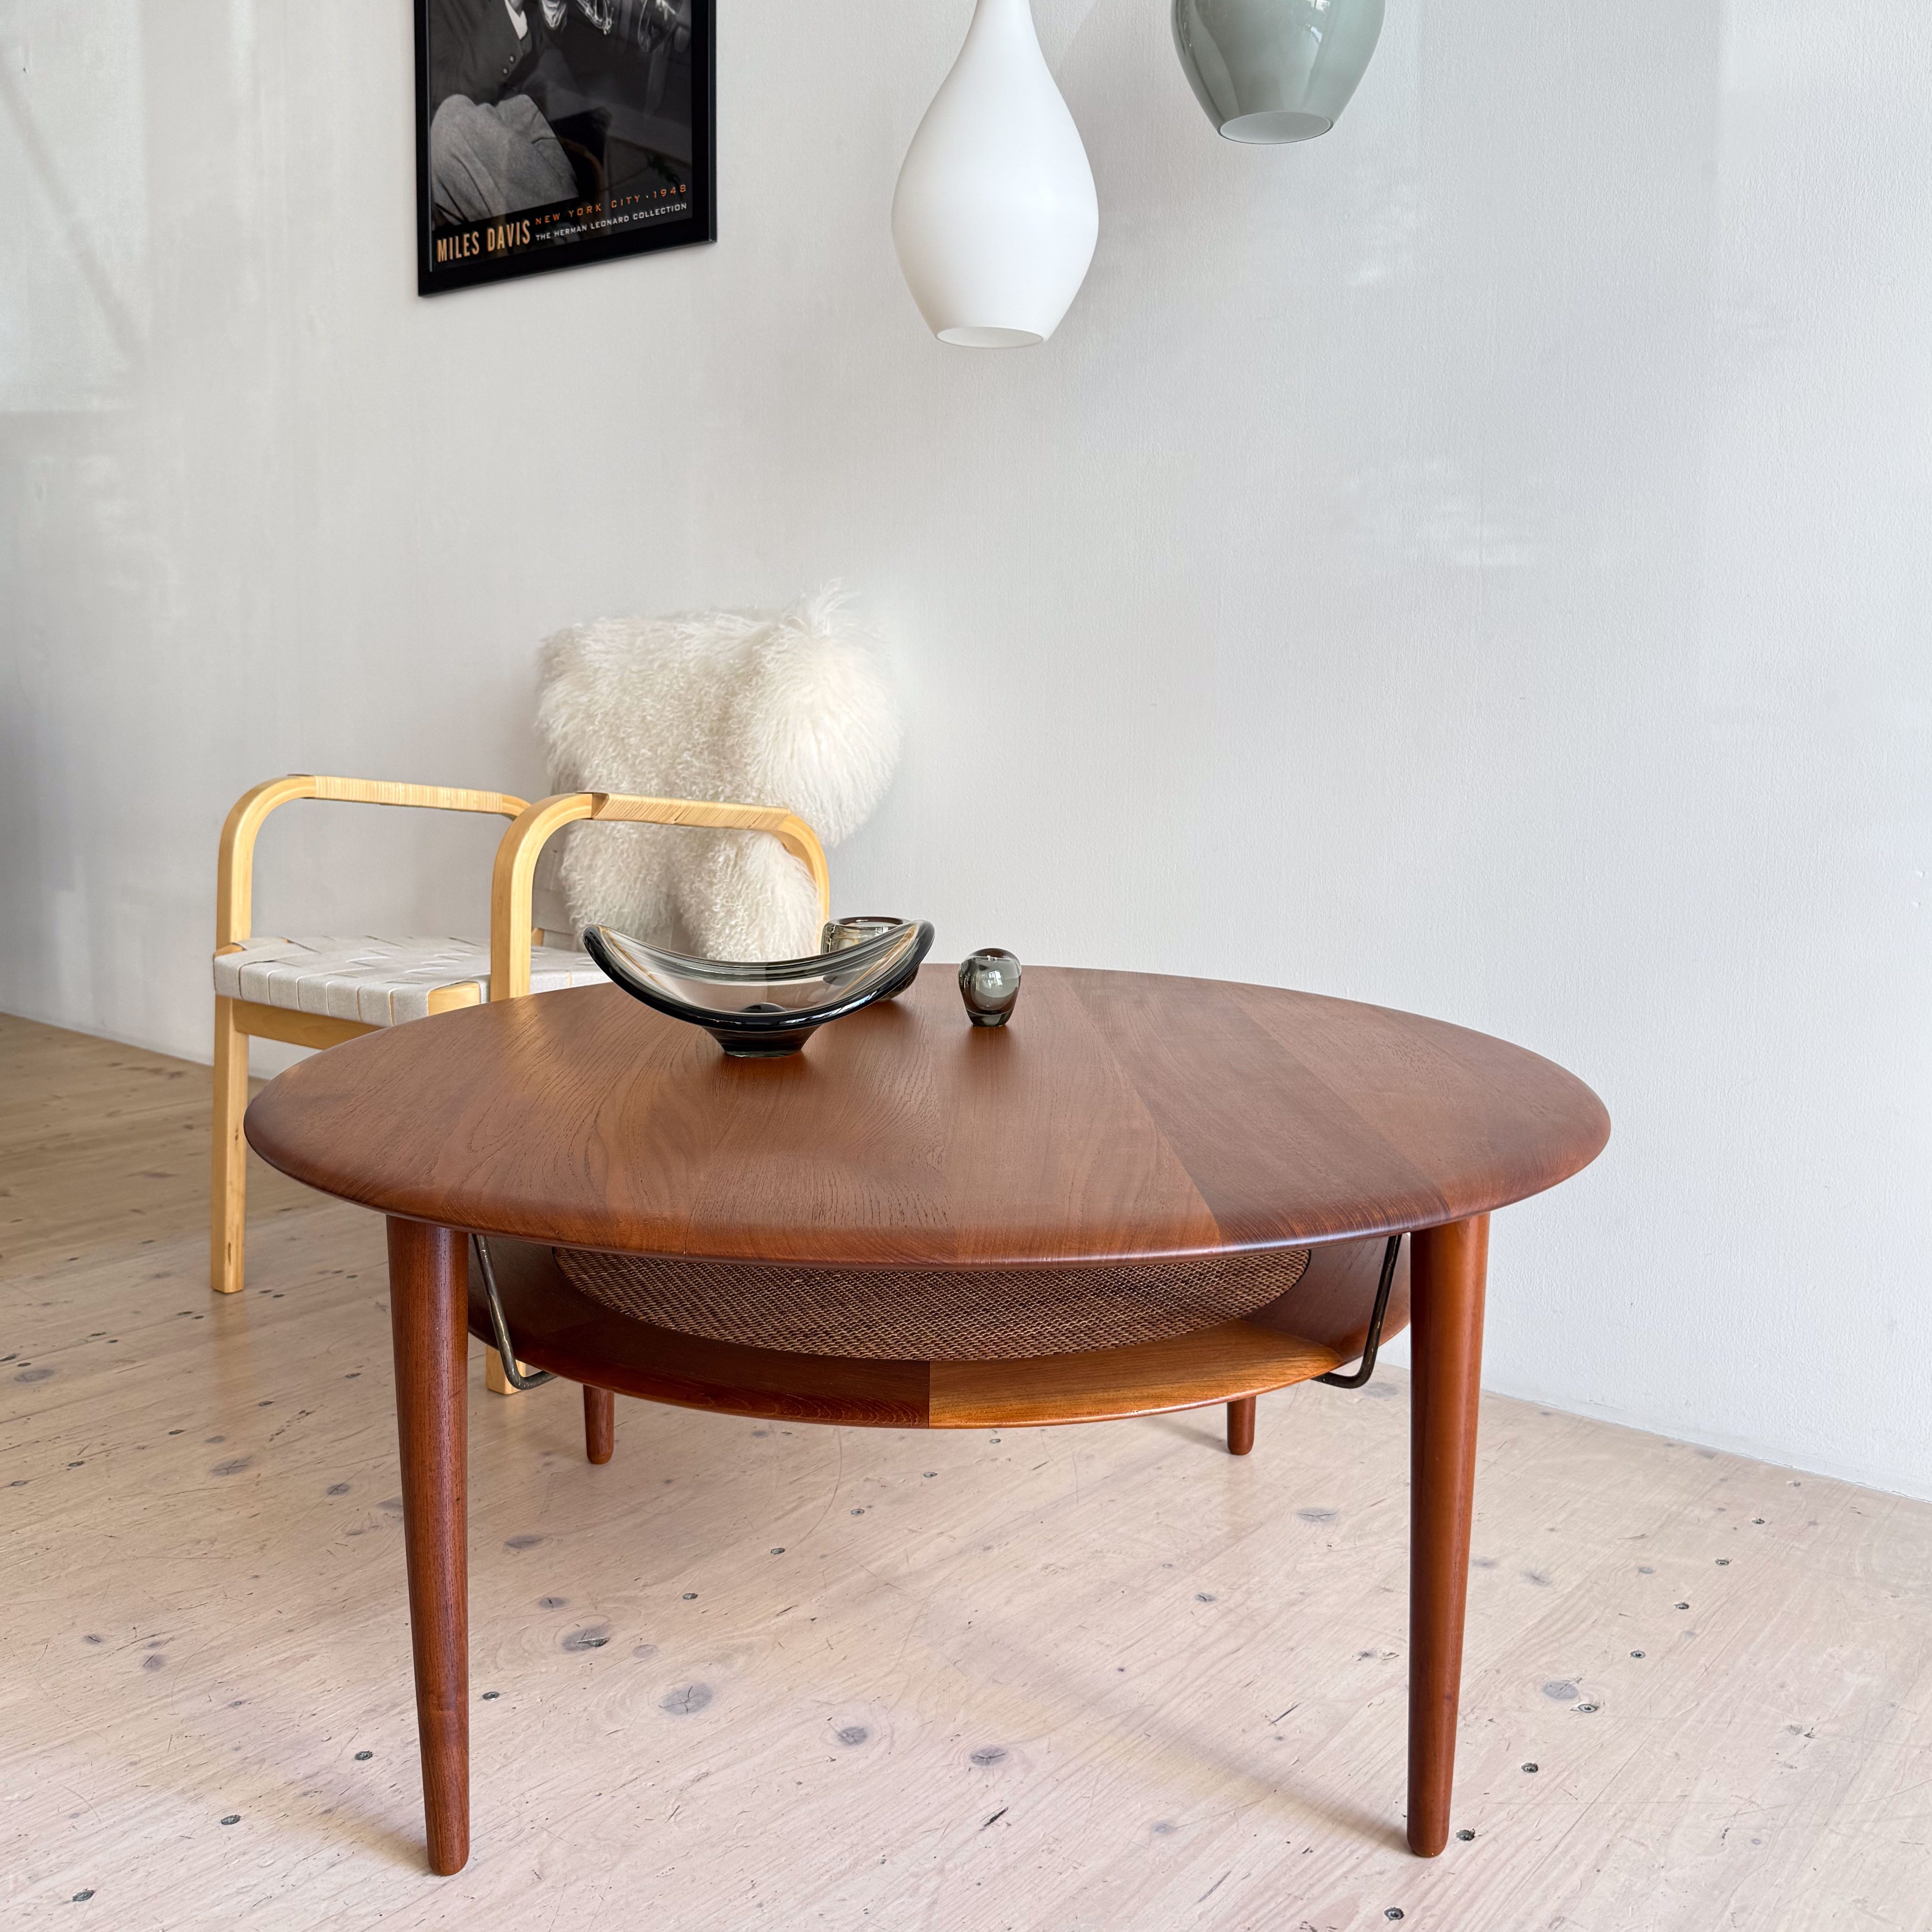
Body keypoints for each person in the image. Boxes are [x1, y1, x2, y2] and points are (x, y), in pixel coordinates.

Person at [426, 0, 578, 227]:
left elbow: (545, 41)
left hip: (545, 124)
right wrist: (509, 7)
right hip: (475, 143)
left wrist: (552, 9)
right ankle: (561, 234)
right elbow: (444, 92)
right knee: (447, 128)